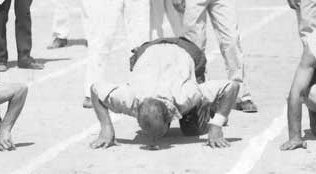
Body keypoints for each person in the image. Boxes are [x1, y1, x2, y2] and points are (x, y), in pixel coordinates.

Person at [88, 37, 240, 150]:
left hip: (187, 50)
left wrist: (216, 124)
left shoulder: (185, 96)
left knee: (192, 129)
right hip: (147, 49)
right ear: (136, 111)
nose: (153, 141)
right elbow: (95, 90)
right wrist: (106, 128)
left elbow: (231, 87)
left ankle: (208, 107)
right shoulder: (129, 98)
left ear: (170, 114)